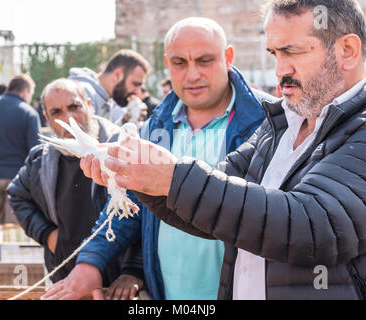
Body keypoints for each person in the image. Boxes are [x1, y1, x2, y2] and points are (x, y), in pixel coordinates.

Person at [81, 0, 366, 300]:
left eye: (292, 51)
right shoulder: (280, 126)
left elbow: (310, 224)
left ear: (346, 50)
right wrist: (139, 177)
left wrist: (171, 177)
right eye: (275, 54)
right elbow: (214, 208)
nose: (280, 70)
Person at [42, 17, 274, 300]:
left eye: (204, 61)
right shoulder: (154, 127)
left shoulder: (268, 121)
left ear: (228, 57)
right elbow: (128, 206)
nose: (192, 75)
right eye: (179, 63)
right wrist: (91, 261)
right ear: (167, 64)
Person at [7, 78, 144, 299]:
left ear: (89, 104)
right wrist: (48, 235)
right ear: (47, 119)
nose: (68, 119)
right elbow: (17, 195)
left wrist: (134, 270)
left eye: (74, 107)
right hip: (65, 280)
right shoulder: (40, 160)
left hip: (118, 286)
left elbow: (148, 214)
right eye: (57, 112)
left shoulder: (123, 149)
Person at [0, 74, 40, 261]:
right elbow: (35, 152)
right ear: (25, 91)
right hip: (18, 178)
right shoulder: (28, 113)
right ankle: (11, 265)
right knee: (13, 224)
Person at [69, 49, 150, 124]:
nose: (138, 92)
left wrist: (126, 121)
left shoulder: (111, 98)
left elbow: (104, 137)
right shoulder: (84, 93)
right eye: (135, 84)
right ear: (117, 75)